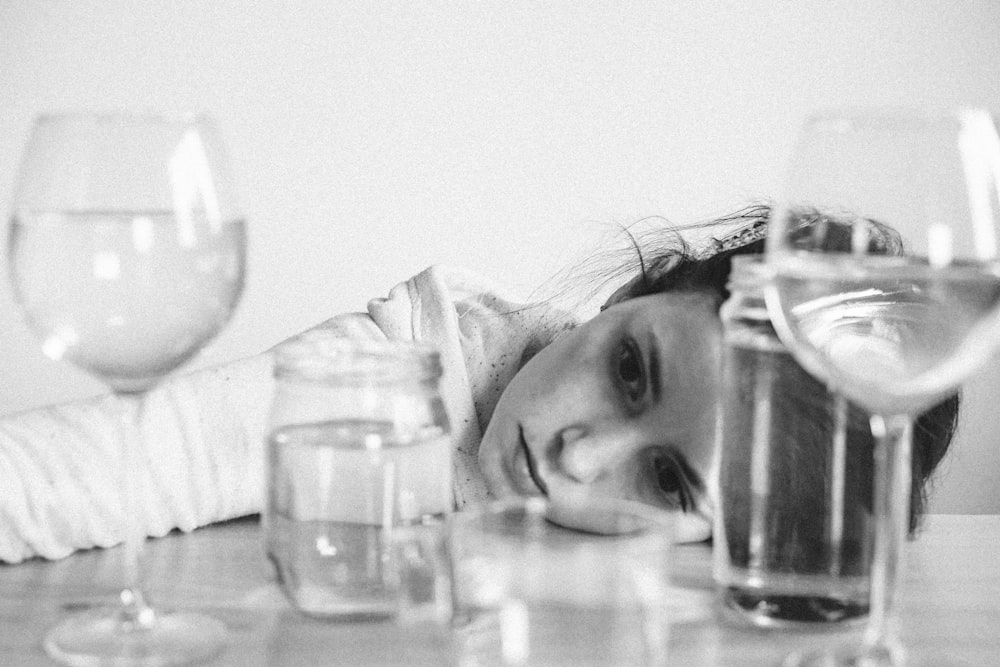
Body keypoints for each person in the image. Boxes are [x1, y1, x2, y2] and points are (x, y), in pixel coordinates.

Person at [0, 203, 959, 563]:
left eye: (669, 480)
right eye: (630, 369)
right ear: (629, 296)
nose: (581, 453)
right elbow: (129, 459)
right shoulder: (405, 373)